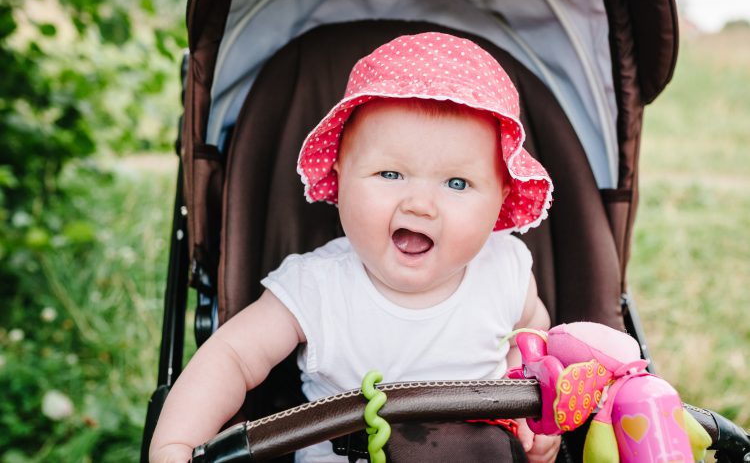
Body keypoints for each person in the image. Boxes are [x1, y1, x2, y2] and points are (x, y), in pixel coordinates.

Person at [150, 32, 559, 462]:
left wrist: (529, 406)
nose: (419, 205)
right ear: (340, 173)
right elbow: (231, 357)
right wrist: (175, 445)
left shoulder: (505, 269)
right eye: (390, 174)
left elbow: (531, 335)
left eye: (457, 183)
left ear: (501, 197)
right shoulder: (316, 288)